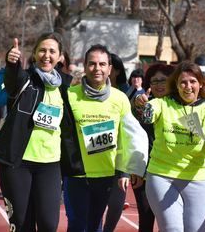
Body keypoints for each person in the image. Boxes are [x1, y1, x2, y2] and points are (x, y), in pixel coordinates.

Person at [0, 33, 85, 232]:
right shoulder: (25, 79)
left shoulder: (66, 89)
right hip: (17, 163)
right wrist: (12, 62)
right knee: (22, 225)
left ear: (60, 57)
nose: (46, 55)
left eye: (52, 51)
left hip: (50, 165)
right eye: (42, 50)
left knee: (49, 225)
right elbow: (13, 81)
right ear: (33, 54)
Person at [63, 44, 148, 232]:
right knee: (77, 225)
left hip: (105, 175)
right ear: (85, 67)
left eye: (102, 64)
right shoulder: (70, 95)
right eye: (92, 64)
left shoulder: (119, 98)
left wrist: (128, 169)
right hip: (76, 174)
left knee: (95, 225)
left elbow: (128, 136)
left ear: (110, 69)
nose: (97, 68)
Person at [134, 61, 205, 231]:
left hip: (197, 178)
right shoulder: (162, 103)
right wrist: (140, 104)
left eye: (193, 81)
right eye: (183, 82)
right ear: (176, 85)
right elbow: (146, 115)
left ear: (200, 84)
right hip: (161, 176)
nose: (188, 86)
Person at [132, 62, 174, 232]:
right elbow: (133, 138)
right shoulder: (143, 106)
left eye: (163, 80)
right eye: (154, 81)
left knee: (172, 221)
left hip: (175, 172)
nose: (158, 85)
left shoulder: (182, 107)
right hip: (146, 170)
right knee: (146, 217)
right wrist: (135, 169)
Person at [102, 53, 131, 232]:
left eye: (108, 65)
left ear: (116, 70)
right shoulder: (91, 89)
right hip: (97, 152)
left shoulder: (126, 92)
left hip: (120, 155)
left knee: (116, 201)